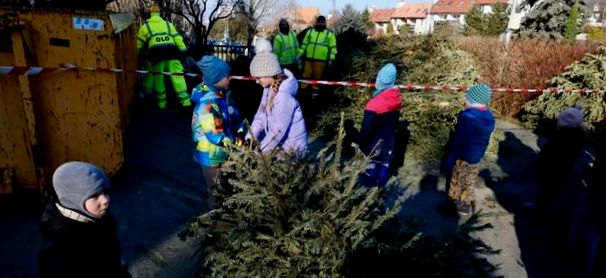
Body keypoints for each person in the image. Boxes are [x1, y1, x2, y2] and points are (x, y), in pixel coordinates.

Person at [39, 161, 130, 278]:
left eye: (105, 192)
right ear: (73, 200)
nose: (105, 200)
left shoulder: (103, 218)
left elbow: (112, 253)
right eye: (94, 196)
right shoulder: (60, 249)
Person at [191, 56, 244, 207]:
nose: (230, 78)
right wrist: (236, 143)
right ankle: (215, 217)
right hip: (210, 155)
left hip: (223, 151)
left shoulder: (223, 95)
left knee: (226, 184)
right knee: (216, 190)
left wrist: (240, 130)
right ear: (216, 79)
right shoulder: (208, 105)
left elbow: (234, 115)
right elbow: (215, 134)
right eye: (227, 76)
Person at [441, 83, 495, 215]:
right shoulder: (489, 117)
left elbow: (458, 141)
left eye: (467, 98)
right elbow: (485, 140)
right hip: (475, 156)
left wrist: (450, 159)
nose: (465, 100)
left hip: (462, 155)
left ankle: (451, 205)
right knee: (469, 180)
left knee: (456, 180)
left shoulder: (467, 118)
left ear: (472, 101)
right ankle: (464, 206)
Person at [247, 38, 308, 156]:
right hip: (278, 148)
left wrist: (259, 153)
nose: (256, 82)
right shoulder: (268, 88)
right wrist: (250, 137)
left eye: (258, 78)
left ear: (269, 73)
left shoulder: (283, 97)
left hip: (292, 153)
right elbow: (260, 115)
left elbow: (278, 132)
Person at [533, 105, 586, 214]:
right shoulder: (579, 136)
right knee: (556, 190)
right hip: (565, 170)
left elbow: (547, 154)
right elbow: (576, 154)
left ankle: (540, 209)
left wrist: (538, 167)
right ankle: (550, 206)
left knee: (546, 189)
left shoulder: (560, 137)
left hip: (552, 170)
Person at [136, 4, 190, 109]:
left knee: (159, 79)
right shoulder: (168, 25)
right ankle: (186, 102)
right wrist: (184, 52)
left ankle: (162, 104)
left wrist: (139, 56)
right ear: (159, 13)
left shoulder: (145, 27)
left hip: (157, 56)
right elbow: (177, 39)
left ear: (150, 14)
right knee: (177, 77)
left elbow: (139, 45)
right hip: (172, 54)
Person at [357, 63, 402, 188]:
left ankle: (365, 204)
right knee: (382, 178)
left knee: (367, 182)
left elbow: (366, 129)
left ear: (379, 80)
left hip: (373, 148)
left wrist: (359, 142)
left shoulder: (373, 104)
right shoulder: (396, 99)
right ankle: (379, 200)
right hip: (388, 147)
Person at [299, 16, 337, 91]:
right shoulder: (310, 32)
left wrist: (331, 59)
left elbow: (333, 47)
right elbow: (304, 45)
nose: (320, 24)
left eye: (322, 22)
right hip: (309, 58)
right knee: (306, 75)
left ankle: (315, 90)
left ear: (325, 23)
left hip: (321, 60)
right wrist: (299, 55)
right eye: (319, 22)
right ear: (316, 22)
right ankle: (303, 89)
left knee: (317, 77)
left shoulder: (329, 34)